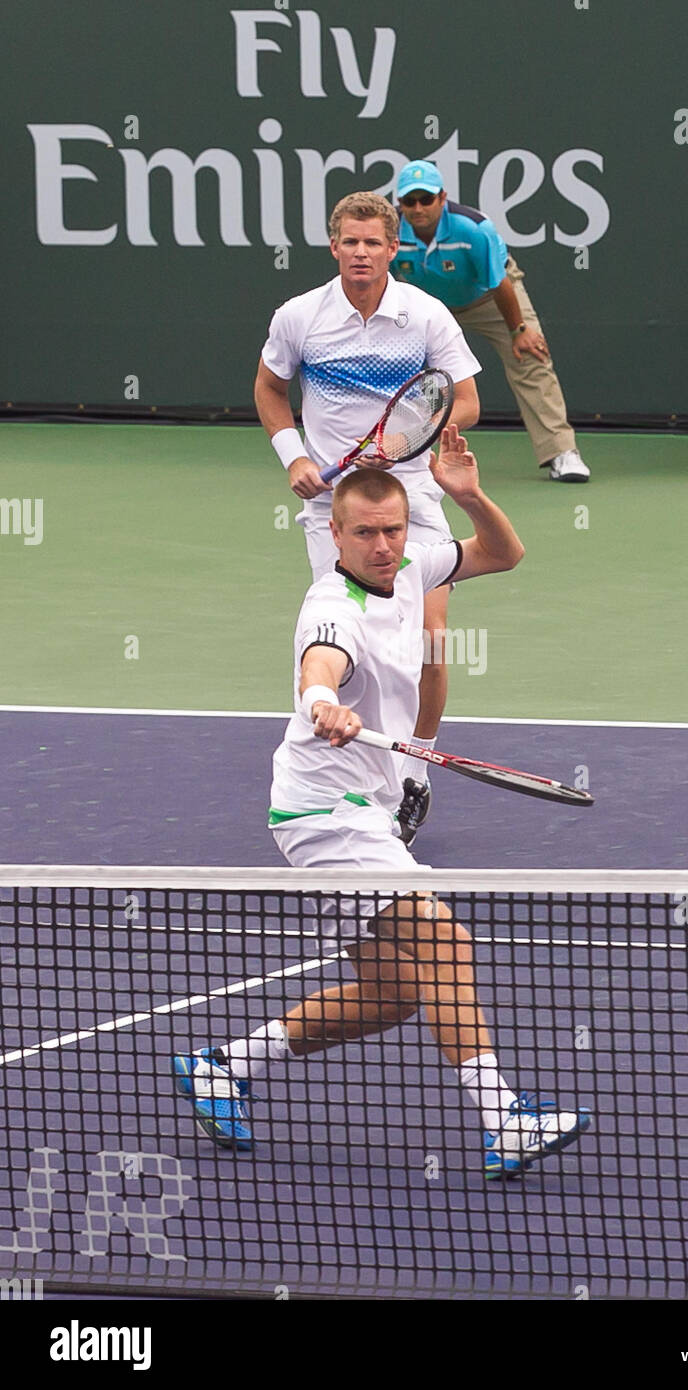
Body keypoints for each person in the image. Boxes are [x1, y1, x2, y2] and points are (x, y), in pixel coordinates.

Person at [172, 428, 591, 1176]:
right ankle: (505, 1122)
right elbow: (319, 665)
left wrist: (468, 497)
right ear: (335, 533)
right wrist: (324, 702)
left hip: (353, 809)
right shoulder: (331, 606)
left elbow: (504, 554)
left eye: (392, 530)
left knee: (397, 994)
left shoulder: (415, 565)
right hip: (327, 815)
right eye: (364, 532)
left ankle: (224, 1065)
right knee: (447, 944)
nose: (382, 545)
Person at [254, 190, 482, 847]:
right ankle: (352, 778)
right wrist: (292, 455)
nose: (360, 252)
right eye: (349, 242)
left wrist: (416, 429)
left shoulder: (426, 316)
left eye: (372, 243)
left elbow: (464, 399)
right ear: (335, 247)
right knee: (350, 643)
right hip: (332, 506)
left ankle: (415, 771)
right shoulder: (300, 317)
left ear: (392, 249)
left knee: (430, 637)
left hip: (410, 496)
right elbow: (269, 388)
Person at [392, 159, 590, 483]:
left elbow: (499, 283)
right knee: (415, 371)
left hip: (488, 297)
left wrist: (518, 330)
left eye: (426, 199)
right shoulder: (391, 231)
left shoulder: (472, 228)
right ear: (400, 203)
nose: (418, 208)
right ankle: (415, 452)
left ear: (442, 198)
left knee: (530, 354)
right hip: (426, 305)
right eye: (409, 201)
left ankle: (561, 452)